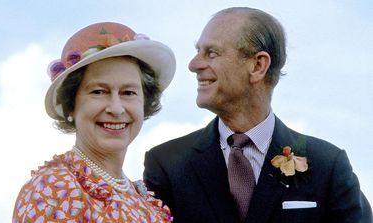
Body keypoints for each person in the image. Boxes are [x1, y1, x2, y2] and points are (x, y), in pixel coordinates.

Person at [143, 7, 372, 223]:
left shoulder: (329, 166)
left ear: (258, 65)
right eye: (198, 51)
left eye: (211, 53)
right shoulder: (166, 164)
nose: (193, 65)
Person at [13, 22, 176, 222]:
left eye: (128, 93)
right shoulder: (54, 189)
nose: (116, 108)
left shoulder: (143, 200)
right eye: (99, 92)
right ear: (71, 104)